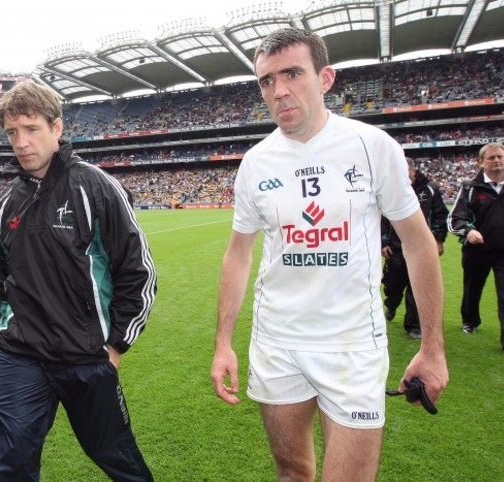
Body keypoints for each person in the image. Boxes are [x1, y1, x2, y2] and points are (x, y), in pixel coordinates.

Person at [210, 28, 449, 481]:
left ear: (325, 78)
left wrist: (432, 347)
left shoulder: (372, 146)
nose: (279, 90)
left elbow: (418, 244)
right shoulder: (256, 163)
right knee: (292, 472)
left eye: (292, 74)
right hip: (277, 343)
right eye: (266, 80)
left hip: (352, 346)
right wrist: (223, 343)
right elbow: (237, 255)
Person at [0, 82, 157, 481]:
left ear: (56, 127)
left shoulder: (95, 187)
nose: (21, 142)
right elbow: (3, 277)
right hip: (21, 353)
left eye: (31, 129)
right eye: (12, 133)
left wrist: (115, 345)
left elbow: (138, 271)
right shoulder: (6, 204)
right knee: (9, 459)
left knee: (114, 454)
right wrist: (6, 328)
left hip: (85, 355)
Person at [447, 142, 504, 357]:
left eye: (500, 156)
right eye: (491, 158)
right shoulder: (470, 187)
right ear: (481, 162)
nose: (497, 160)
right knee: (472, 289)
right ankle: (470, 320)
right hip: (477, 251)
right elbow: (454, 218)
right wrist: (468, 231)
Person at [381, 157, 449, 339]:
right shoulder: (391, 189)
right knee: (392, 285)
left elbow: (440, 215)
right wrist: (384, 242)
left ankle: (413, 325)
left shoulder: (430, 189)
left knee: (416, 286)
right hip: (396, 249)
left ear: (413, 171)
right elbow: (382, 218)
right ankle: (392, 304)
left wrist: (438, 239)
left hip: (420, 248)